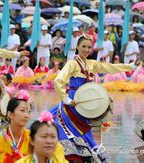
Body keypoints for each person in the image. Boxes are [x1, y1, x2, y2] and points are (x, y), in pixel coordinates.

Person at [49, 33, 139, 162]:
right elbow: (58, 80)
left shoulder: (91, 63)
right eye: (83, 46)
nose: (86, 49)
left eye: (89, 47)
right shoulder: (72, 63)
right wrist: (66, 99)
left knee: (85, 131)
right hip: (73, 103)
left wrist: (130, 66)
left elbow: (109, 67)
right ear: (78, 47)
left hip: (85, 105)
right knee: (74, 130)